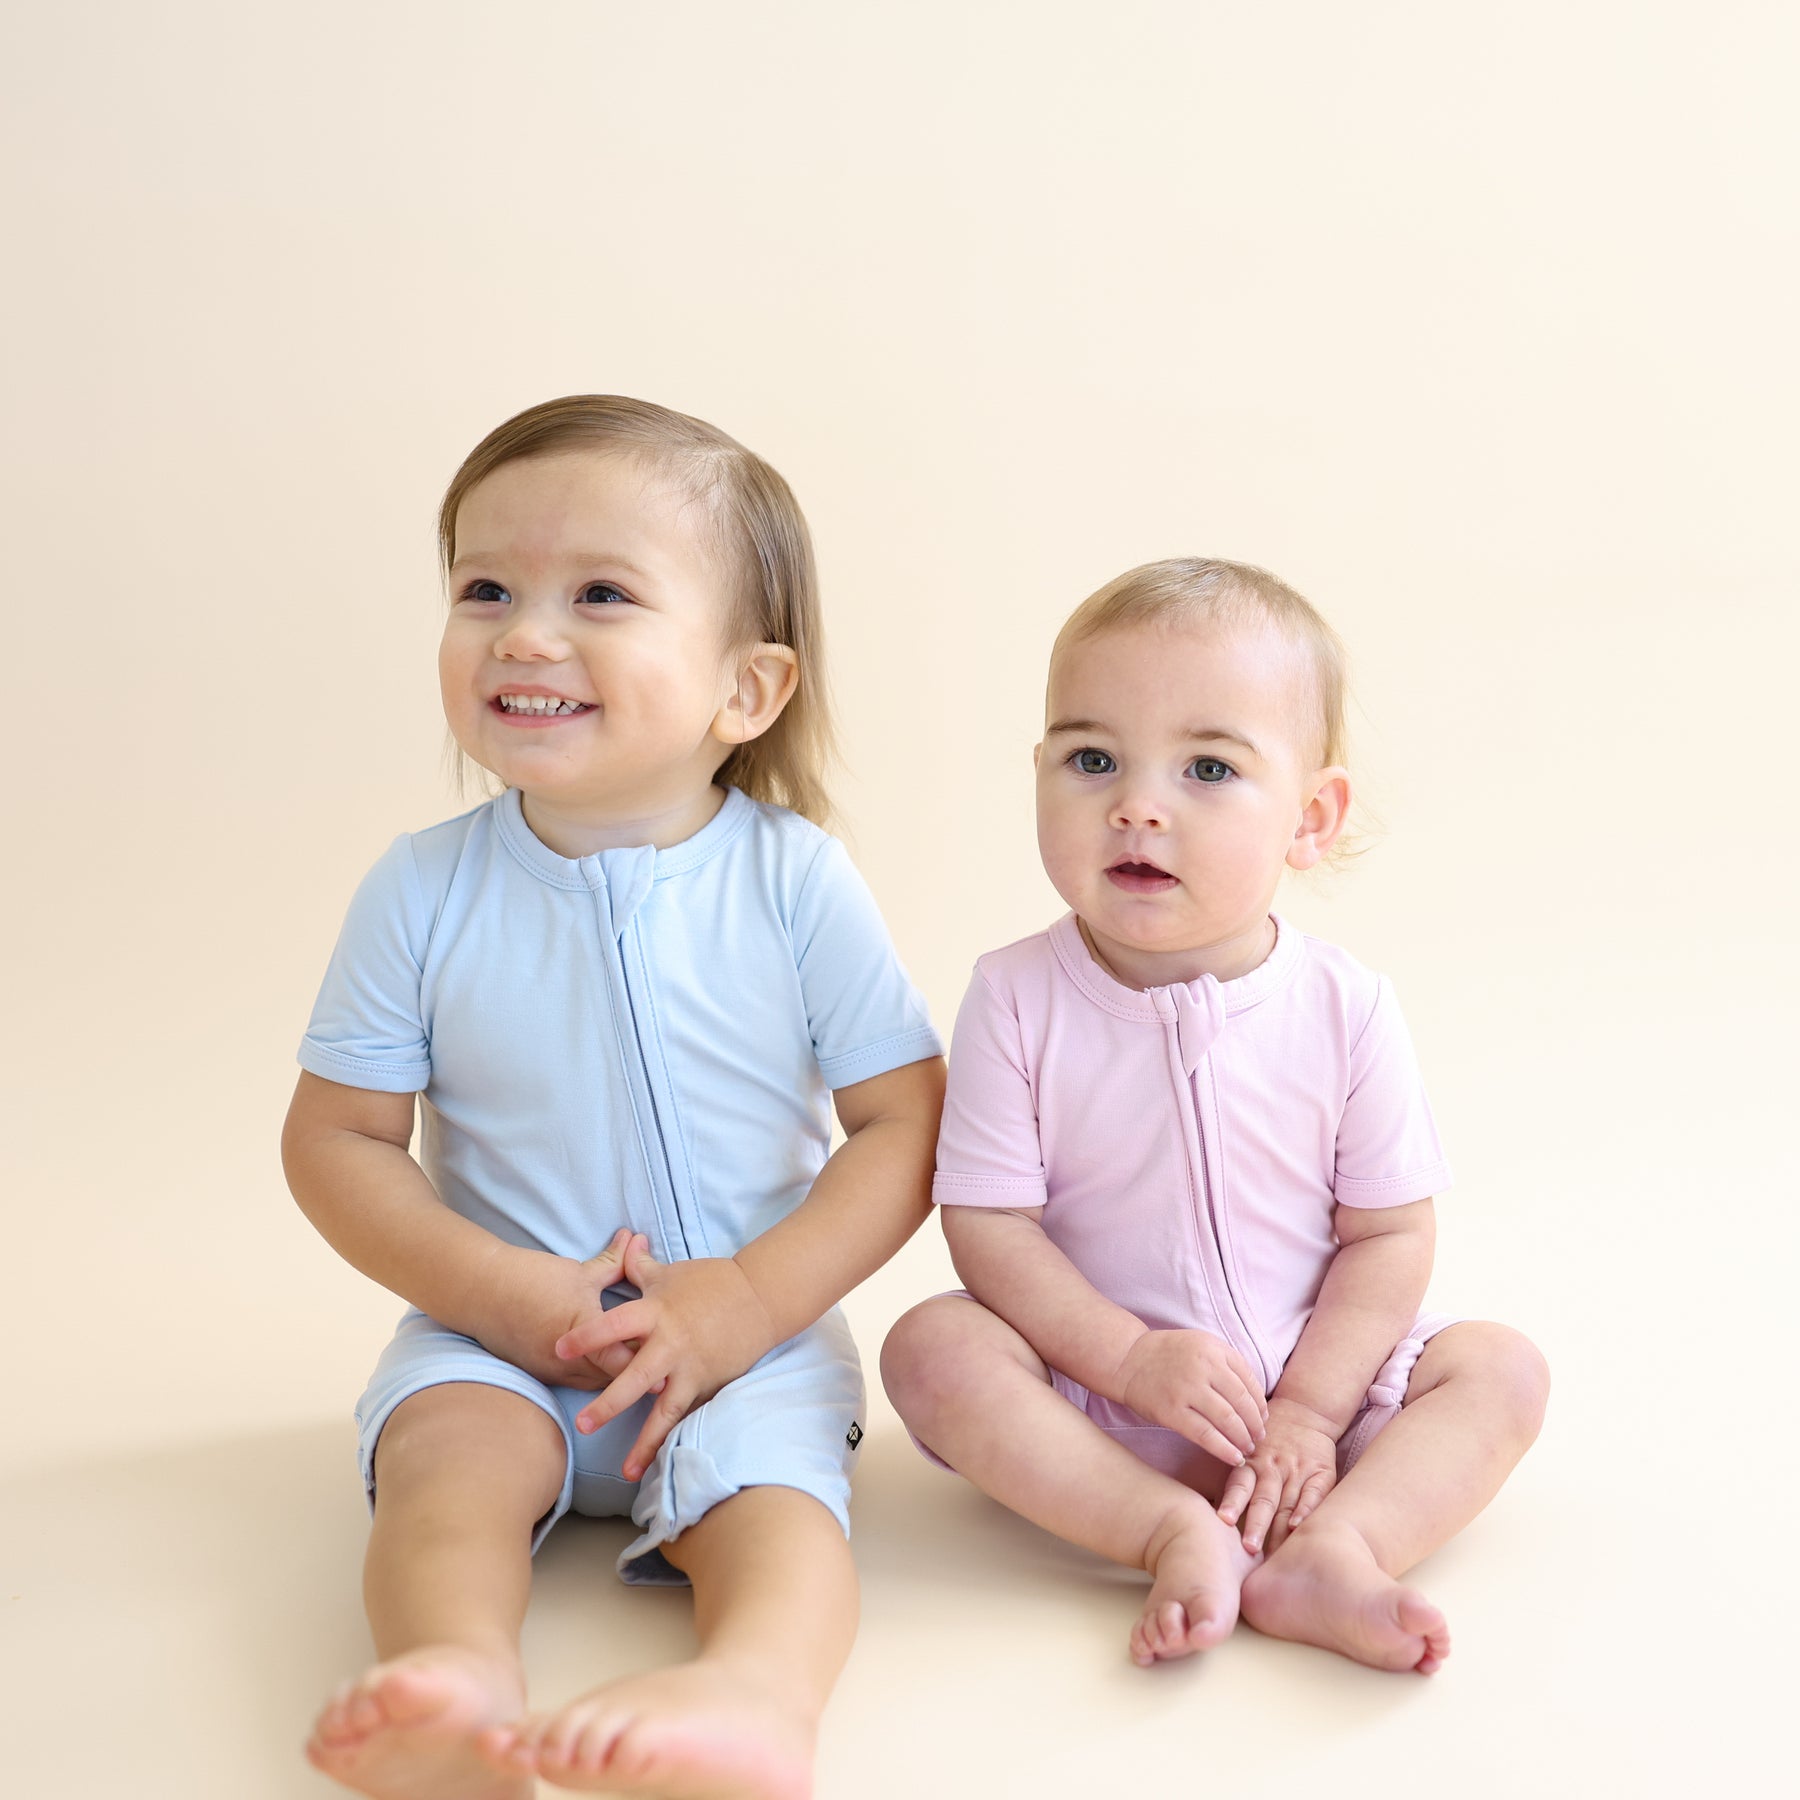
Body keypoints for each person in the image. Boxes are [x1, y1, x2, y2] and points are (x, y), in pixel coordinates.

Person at [285, 395, 944, 1799]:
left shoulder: (793, 882)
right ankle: (454, 1678)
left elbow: (904, 1123)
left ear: (744, 691)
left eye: (600, 594)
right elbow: (338, 1141)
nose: (525, 634)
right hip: (501, 1335)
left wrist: (752, 1302)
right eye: (485, 590)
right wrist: (503, 1296)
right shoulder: (423, 887)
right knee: (443, 1472)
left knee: (775, 1511)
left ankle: (754, 1698)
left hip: (742, 1340)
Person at [881, 557, 1548, 1677]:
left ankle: (1334, 1547)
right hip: (1096, 1399)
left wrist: (1309, 1410)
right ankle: (1161, 1527)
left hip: (1317, 1399)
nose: (1138, 804)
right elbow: (989, 1226)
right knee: (930, 1347)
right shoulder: (1016, 995)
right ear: (1037, 773)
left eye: (1207, 768)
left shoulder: (1345, 1006)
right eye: (1091, 759)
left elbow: (1387, 1235)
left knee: (1501, 1369)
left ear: (1311, 816)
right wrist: (1127, 1358)